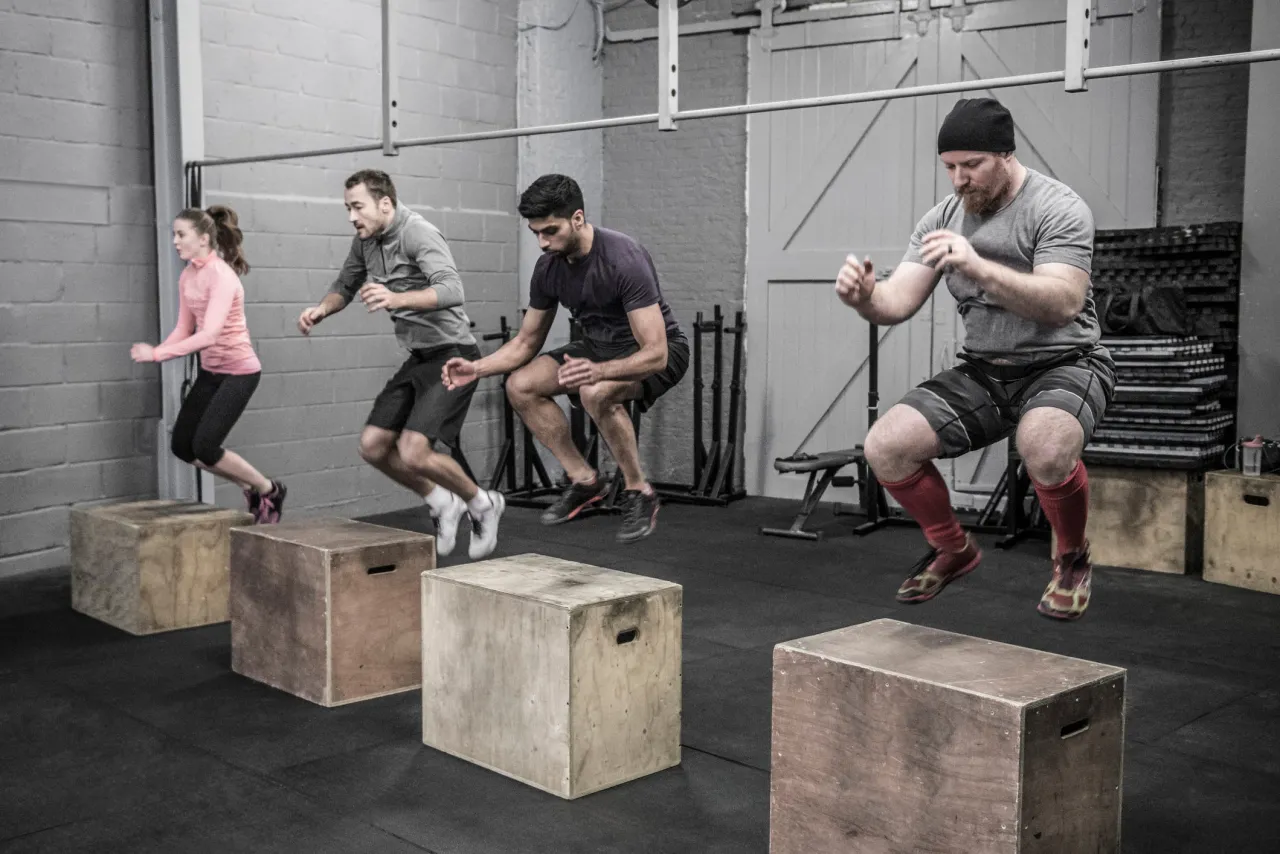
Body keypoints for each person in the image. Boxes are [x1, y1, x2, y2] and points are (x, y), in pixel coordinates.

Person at [835, 98, 1114, 621]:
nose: (959, 179)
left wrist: (980, 267)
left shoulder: (1058, 207)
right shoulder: (942, 218)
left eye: (971, 165)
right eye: (949, 167)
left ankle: (1072, 556)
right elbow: (896, 303)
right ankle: (953, 548)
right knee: (885, 446)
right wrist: (865, 298)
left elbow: (1064, 303)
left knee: (1045, 447)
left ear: (1006, 155)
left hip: (1066, 361)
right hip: (986, 369)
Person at [442, 174, 689, 543]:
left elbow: (656, 353)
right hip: (597, 349)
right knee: (521, 385)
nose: (543, 242)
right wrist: (476, 368)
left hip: (658, 351)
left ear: (577, 218)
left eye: (550, 231)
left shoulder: (624, 258)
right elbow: (526, 342)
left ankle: (640, 491)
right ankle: (585, 481)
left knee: (595, 392)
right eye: (536, 233)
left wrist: (598, 371)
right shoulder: (549, 267)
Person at [296, 169, 503, 560]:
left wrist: (395, 299)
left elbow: (452, 290)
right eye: (348, 208)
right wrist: (321, 310)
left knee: (413, 451)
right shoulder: (366, 241)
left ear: (385, 203)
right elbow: (345, 285)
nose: (352, 216)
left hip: (454, 355)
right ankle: (442, 501)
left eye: (358, 207)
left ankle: (483, 503)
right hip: (419, 357)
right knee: (373, 446)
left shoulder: (418, 233)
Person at [131, 206, 286, 523]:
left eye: (181, 234)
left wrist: (158, 355)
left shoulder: (222, 276)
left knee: (205, 445)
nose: (175, 241)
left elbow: (209, 335)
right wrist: (160, 348)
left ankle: (269, 489)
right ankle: (249, 486)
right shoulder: (188, 276)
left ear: (203, 238)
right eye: (174, 234)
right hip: (211, 372)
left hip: (239, 373)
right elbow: (183, 329)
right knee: (182, 447)